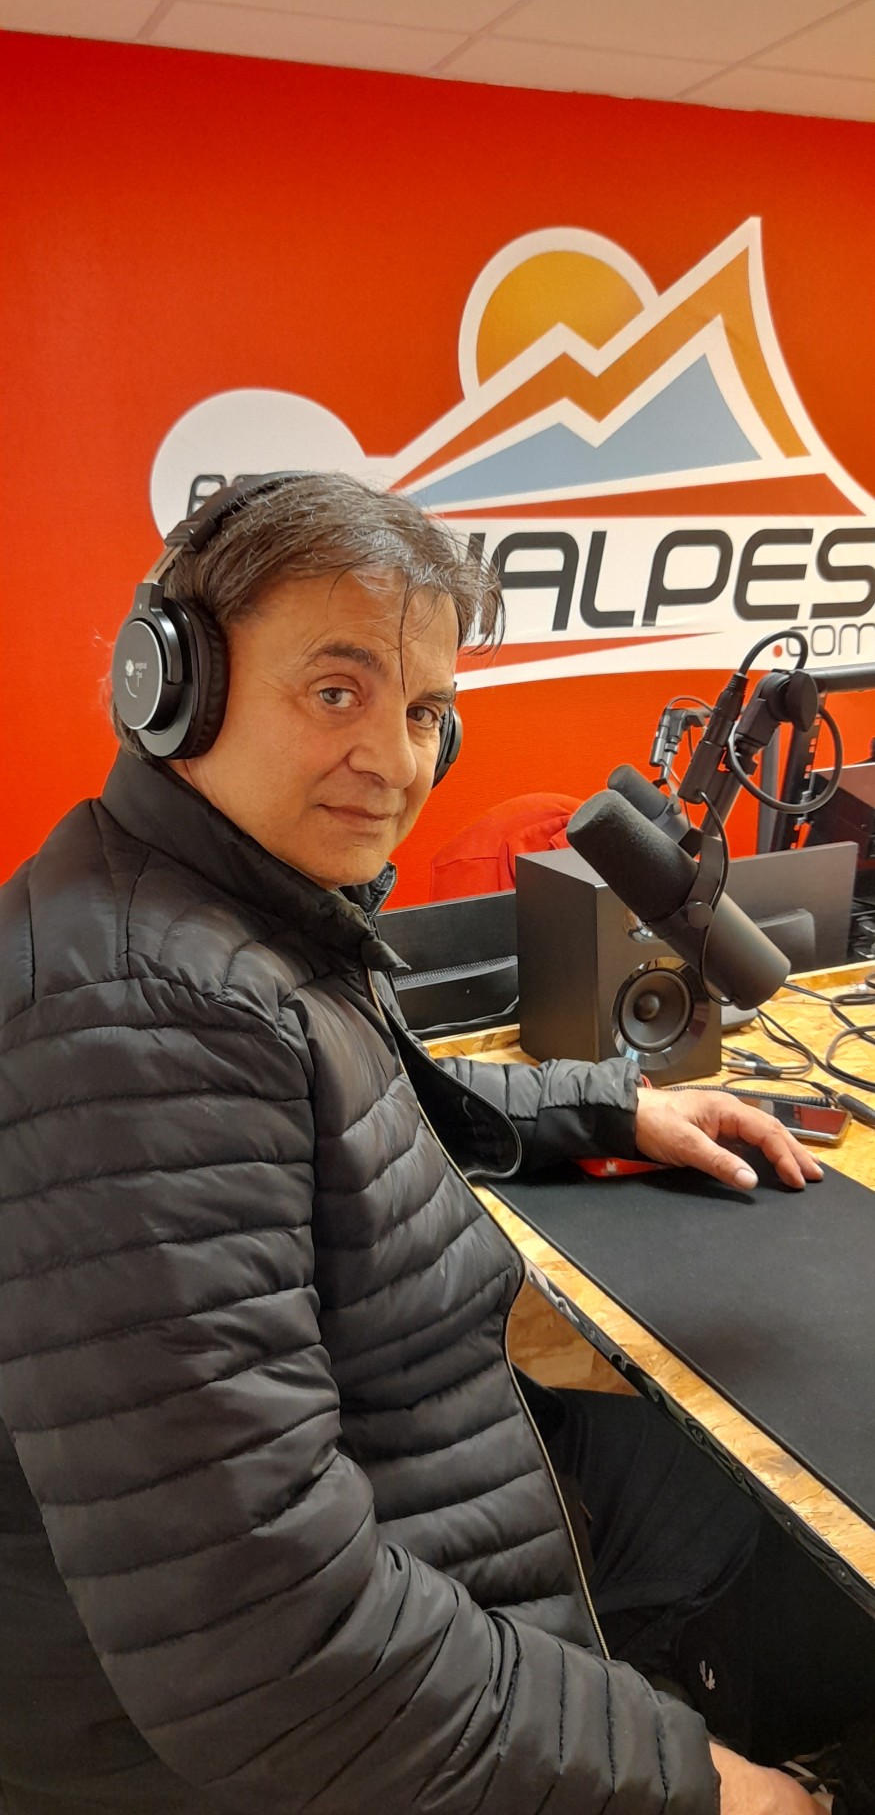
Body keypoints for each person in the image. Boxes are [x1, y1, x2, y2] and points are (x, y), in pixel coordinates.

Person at [0, 473, 849, 1815]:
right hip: (291, 1709)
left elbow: (356, 1092)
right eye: (336, 692)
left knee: (756, 1523)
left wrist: (614, 1107)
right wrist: (701, 1786)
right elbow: (276, 1654)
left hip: (422, 1487)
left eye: (421, 711)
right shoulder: (134, 1019)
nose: (396, 763)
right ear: (171, 686)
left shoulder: (203, 910)